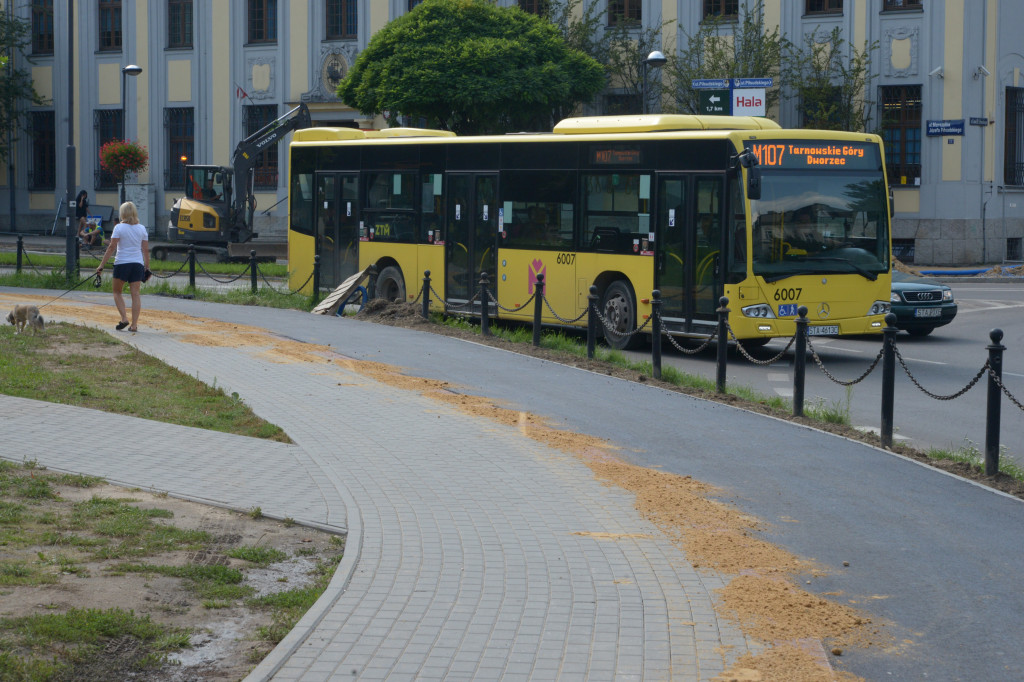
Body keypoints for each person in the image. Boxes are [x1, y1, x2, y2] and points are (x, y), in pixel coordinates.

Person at [95, 201, 150, 333]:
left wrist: (101, 265)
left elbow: (111, 247)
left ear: (122, 214)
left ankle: (124, 318)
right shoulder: (142, 228)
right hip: (137, 264)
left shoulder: (119, 228)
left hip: (122, 264)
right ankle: (134, 325)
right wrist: (147, 268)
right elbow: (145, 250)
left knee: (117, 292)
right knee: (135, 294)